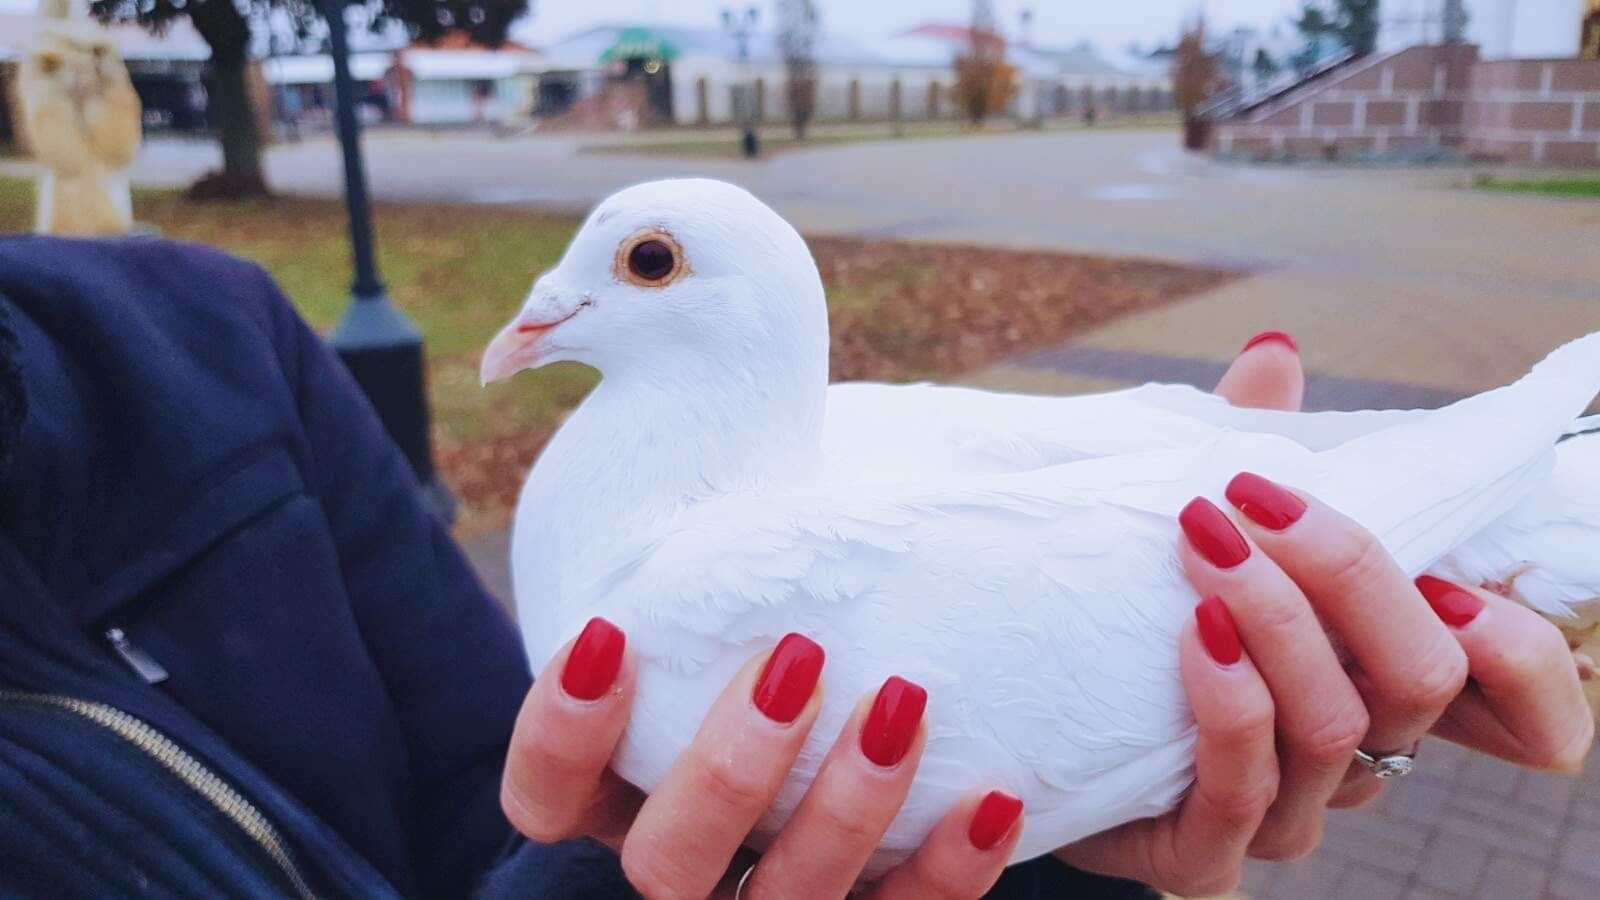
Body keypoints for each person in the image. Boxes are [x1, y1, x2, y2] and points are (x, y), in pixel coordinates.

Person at [0, 236, 1589, 899]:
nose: (541, 307)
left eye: (632, 263)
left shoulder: (191, 344)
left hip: (1251, 551)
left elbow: (487, 794)